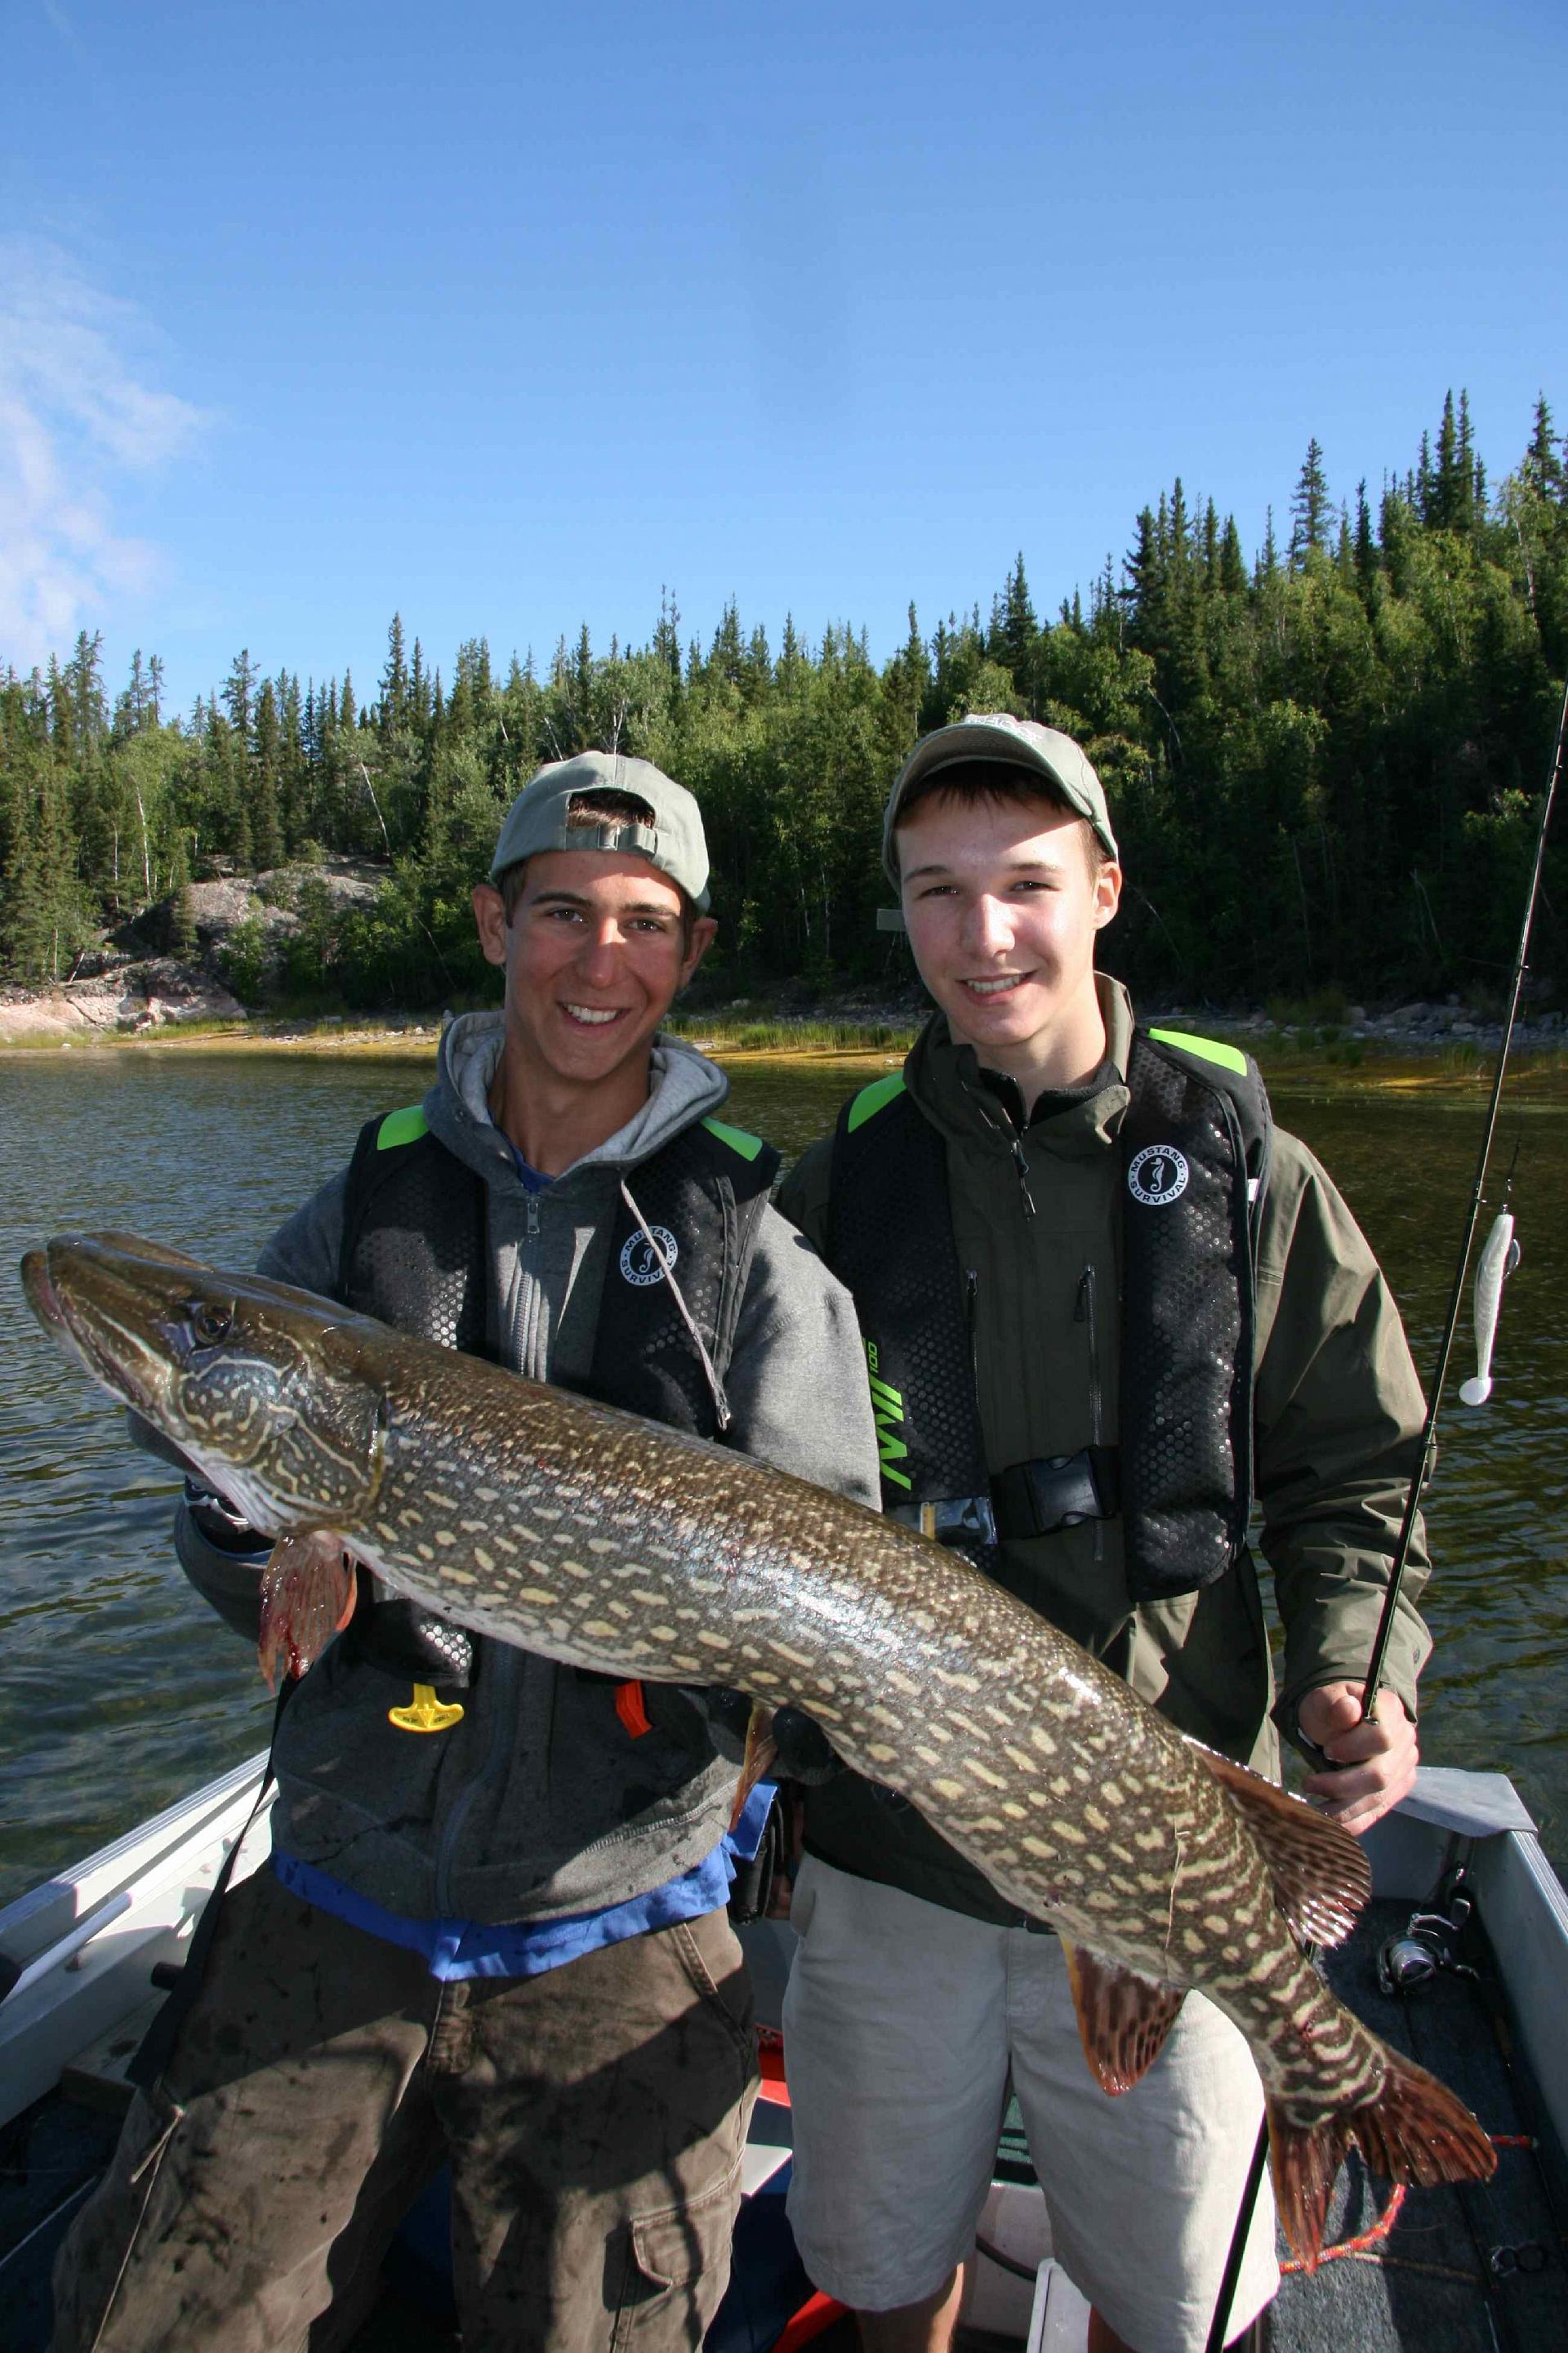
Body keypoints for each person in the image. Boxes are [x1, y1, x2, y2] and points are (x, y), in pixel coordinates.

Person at [53, 751, 880, 2353]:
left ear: (691, 954)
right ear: (497, 921)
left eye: (644, 922)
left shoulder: (759, 1262)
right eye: (562, 911)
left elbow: (834, 1590)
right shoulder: (363, 1215)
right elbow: (242, 1563)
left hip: (619, 1915)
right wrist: (246, 1523)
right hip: (341, 1883)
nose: (599, 957)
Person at [774, 715, 1432, 2353]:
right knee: (873, 2258)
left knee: (1168, 2295)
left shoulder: (1246, 1169)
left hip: (1183, 1838)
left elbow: (1353, 1473)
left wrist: (1357, 1668)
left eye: (1024, 884)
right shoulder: (831, 1191)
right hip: (893, 1854)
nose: (981, 935)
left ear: (1105, 890)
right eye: (937, 892)